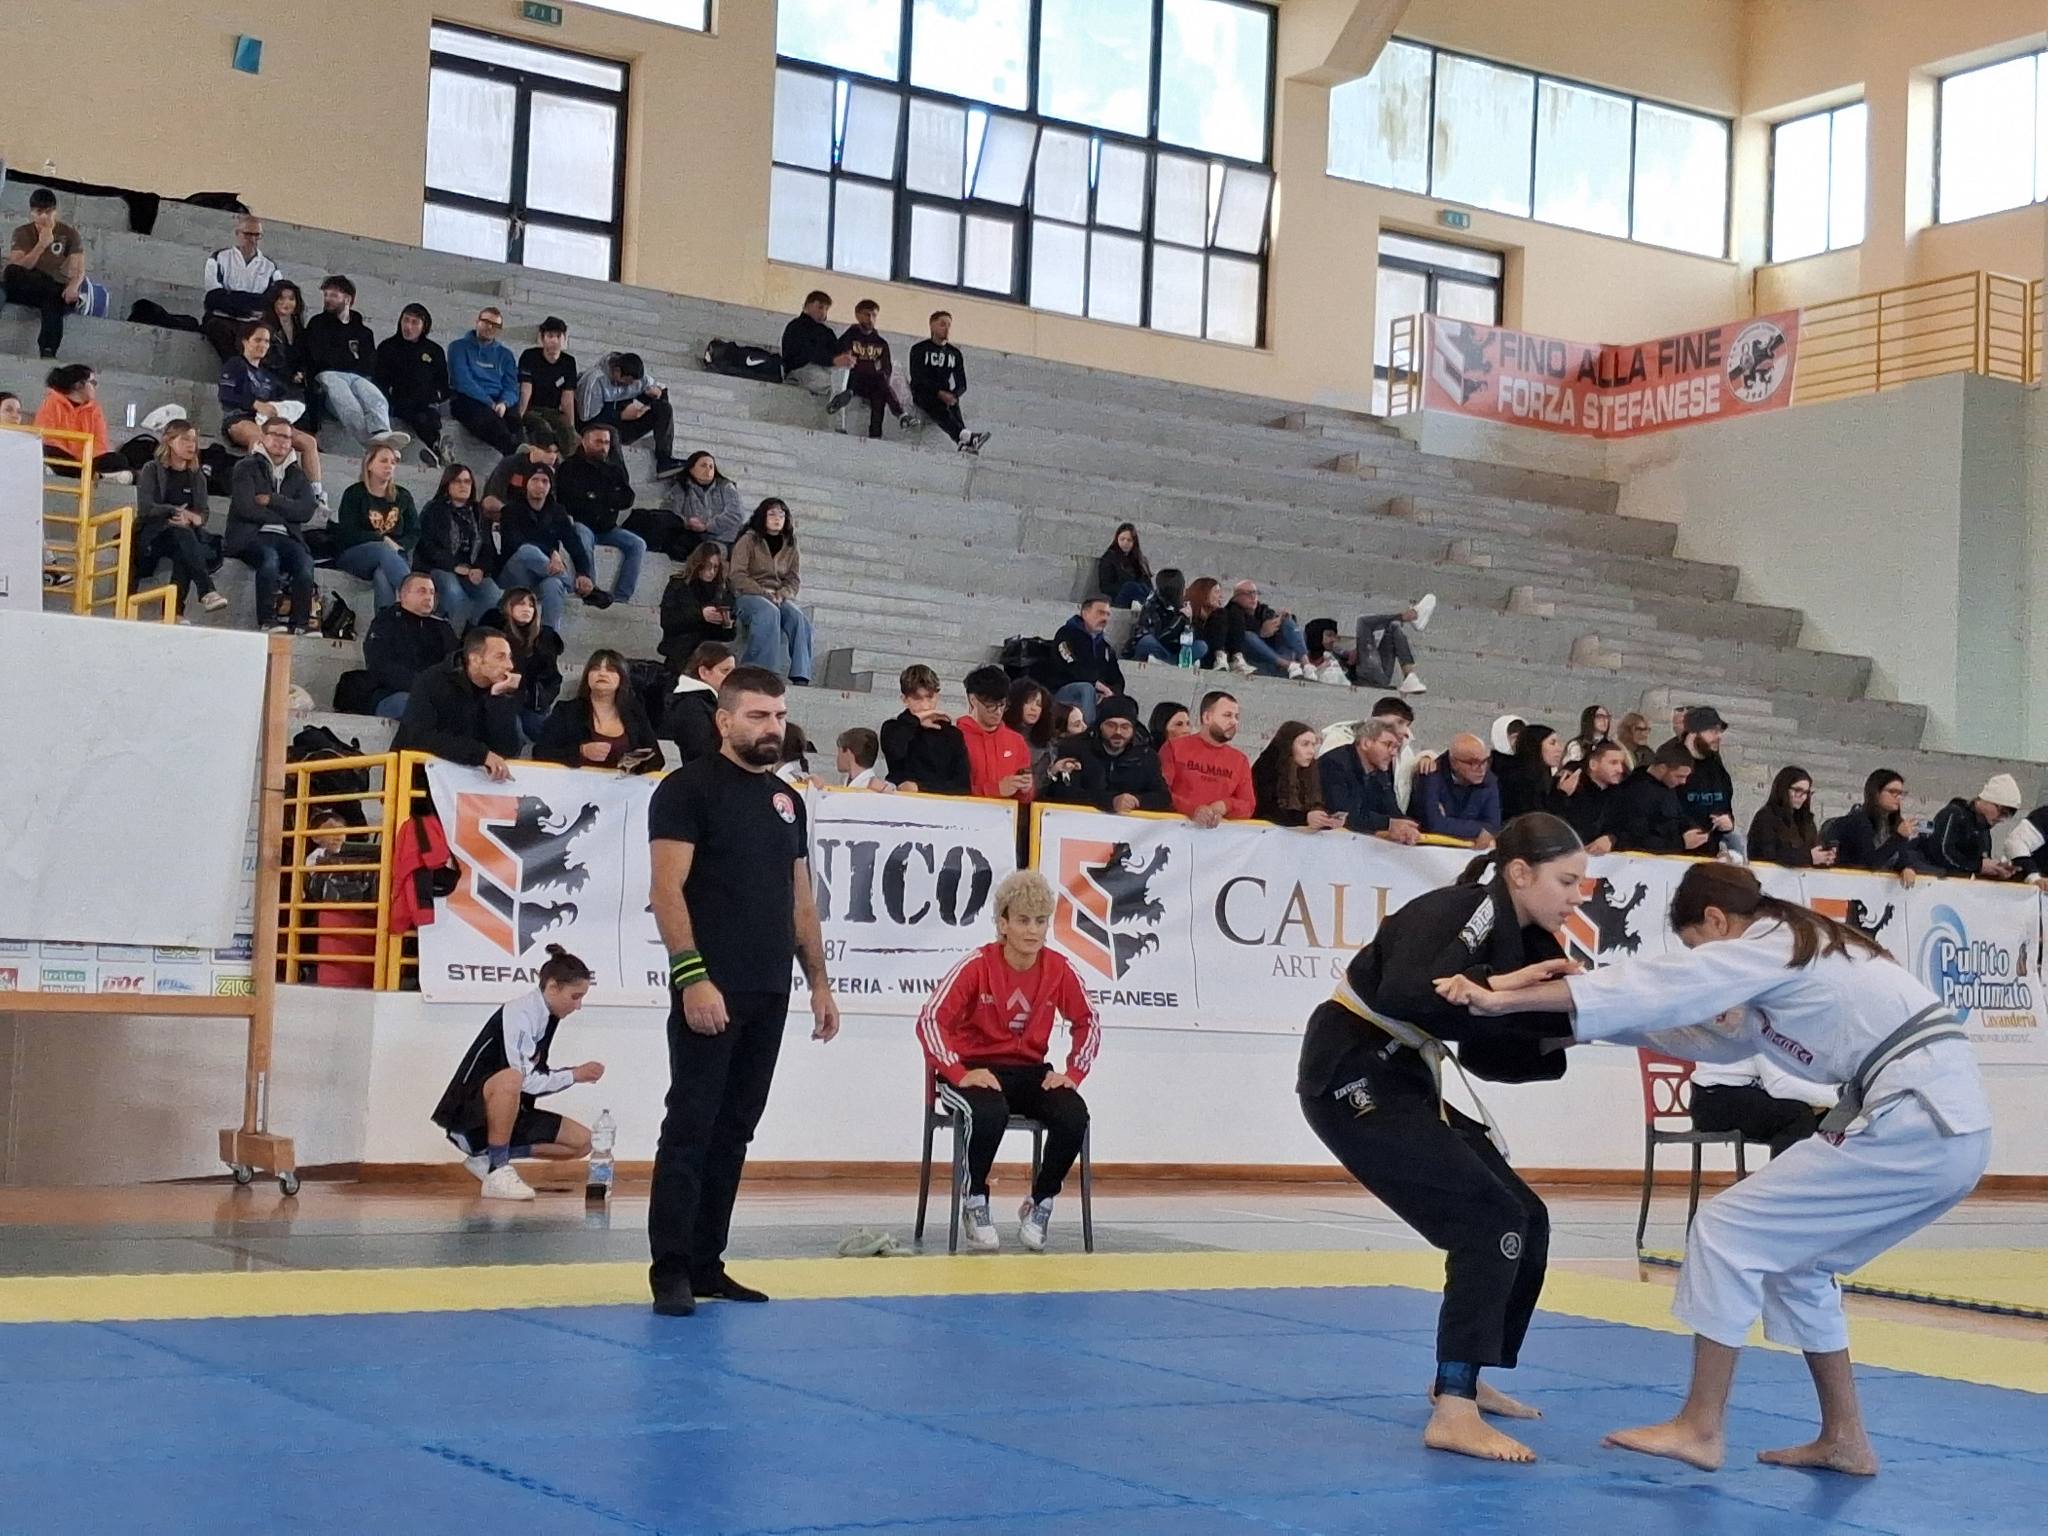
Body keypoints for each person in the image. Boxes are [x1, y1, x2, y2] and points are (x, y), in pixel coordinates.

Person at [1451, 861, 1990, 1477]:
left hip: (1915, 1122)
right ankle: (1845, 1438)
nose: (1700, 961)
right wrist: (1577, 1026)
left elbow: (1658, 984)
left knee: (1725, 1229)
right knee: (1800, 1264)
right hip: (1944, 1128)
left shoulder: (1770, 943)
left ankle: (1700, 1426)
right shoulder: (1796, 954)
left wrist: (1502, 997)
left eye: (1697, 945)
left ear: (1715, 919)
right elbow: (1706, 1035)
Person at [1301, 813, 1586, 1464]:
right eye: (1567, 881)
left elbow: (1491, 1056)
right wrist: (1500, 989)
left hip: (1404, 1074)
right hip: (1352, 1069)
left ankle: (1464, 1376)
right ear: (1520, 873)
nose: (1576, 897)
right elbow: (1408, 992)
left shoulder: (1527, 939)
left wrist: (1569, 1031)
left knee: (1526, 1218)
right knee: (1489, 1221)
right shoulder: (1466, 908)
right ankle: (1454, 1411)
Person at [647, 667, 841, 1314]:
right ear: (724, 720)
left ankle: (708, 1263)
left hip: (769, 988)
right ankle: (671, 1269)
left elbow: (801, 899)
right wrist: (692, 976)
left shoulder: (788, 801)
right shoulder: (686, 790)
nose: (772, 727)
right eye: (758, 716)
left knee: (735, 1130)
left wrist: (819, 983)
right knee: (691, 1126)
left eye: (779, 716)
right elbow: (666, 890)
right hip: (712, 985)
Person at [919, 870, 1098, 1250]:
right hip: (974, 1070)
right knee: (989, 1112)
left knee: (1073, 1115)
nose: (1033, 930)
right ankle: (975, 1200)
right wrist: (958, 1073)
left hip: (1029, 1072)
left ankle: (1040, 1202)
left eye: (1040, 921)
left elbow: (1088, 1021)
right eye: (1023, 920)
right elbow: (931, 1020)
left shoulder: (1059, 969)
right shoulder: (977, 965)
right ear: (1003, 924)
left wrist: (1073, 1074)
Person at [431, 945, 605, 1201]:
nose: (578, 1006)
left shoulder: (548, 1017)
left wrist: (572, 1075)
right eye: (575, 996)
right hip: (471, 1118)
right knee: (512, 1078)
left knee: (584, 1142)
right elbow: (526, 1081)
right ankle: (498, 1168)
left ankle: (486, 1158)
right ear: (553, 987)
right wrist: (574, 1075)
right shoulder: (520, 1013)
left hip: (513, 1112)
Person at [226, 415, 320, 633]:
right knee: (269, 560)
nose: (281, 441)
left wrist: (272, 500)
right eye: (275, 435)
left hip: (287, 537)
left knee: (305, 564)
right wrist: (286, 514)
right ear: (263, 437)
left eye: (286, 437)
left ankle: (301, 623)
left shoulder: (297, 474)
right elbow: (245, 507)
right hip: (251, 536)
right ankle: (267, 620)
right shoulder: (246, 467)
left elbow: (306, 510)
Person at [392, 627, 521, 779]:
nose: (510, 665)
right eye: (500, 657)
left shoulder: (501, 691)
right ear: (475, 659)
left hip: (470, 782)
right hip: (418, 780)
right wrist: (480, 754)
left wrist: (498, 699)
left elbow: (508, 749)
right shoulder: (433, 680)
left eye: (509, 657)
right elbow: (420, 736)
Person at [218, 322, 326, 497]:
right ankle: (257, 486)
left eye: (266, 341)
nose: (263, 345)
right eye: (258, 340)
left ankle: (316, 494)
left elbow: (286, 397)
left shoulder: (268, 375)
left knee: (308, 442)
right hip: (239, 419)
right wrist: (256, 404)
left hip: (270, 421)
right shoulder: (235, 364)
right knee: (260, 437)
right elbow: (227, 394)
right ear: (245, 341)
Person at [132, 420, 228, 615]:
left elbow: (202, 513)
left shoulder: (196, 475)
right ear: (169, 441)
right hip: (154, 534)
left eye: (193, 440)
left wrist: (192, 518)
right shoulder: (152, 469)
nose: (191, 445)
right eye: (185, 440)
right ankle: (205, 592)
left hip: (184, 534)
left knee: (184, 546)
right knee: (185, 538)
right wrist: (175, 511)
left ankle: (175, 611)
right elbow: (146, 508)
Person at [306, 275, 406, 451]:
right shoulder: (317, 324)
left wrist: (346, 363)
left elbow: (369, 363)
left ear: (347, 299)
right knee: (348, 404)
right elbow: (318, 357)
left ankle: (384, 433)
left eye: (334, 295)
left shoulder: (363, 332)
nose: (328, 299)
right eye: (326, 295)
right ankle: (372, 445)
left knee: (376, 398)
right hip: (328, 375)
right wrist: (349, 361)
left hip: (356, 377)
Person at [498, 465, 597, 630]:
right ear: (526, 483)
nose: (540, 485)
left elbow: (574, 543)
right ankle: (572, 585)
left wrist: (583, 573)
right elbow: (514, 543)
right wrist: (551, 553)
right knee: (528, 551)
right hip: (514, 574)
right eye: (535, 480)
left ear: (551, 486)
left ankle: (549, 637)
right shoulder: (511, 510)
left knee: (554, 585)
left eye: (545, 481)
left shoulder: (557, 511)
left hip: (544, 574)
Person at [555, 422, 646, 603]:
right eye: (598, 442)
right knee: (582, 535)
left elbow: (627, 498)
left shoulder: (614, 469)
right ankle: (590, 589)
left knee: (638, 544)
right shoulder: (569, 467)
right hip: (582, 523)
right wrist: (607, 498)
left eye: (606, 442)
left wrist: (596, 496)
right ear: (584, 441)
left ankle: (621, 597)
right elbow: (570, 499)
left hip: (608, 528)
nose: (603, 447)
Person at [535, 650, 665, 774]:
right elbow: (540, 752)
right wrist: (581, 751)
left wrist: (633, 763)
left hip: (622, 785)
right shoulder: (567, 711)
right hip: (576, 784)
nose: (602, 674)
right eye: (595, 669)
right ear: (587, 676)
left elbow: (656, 759)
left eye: (611, 670)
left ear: (621, 678)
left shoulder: (634, 713)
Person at [1040, 695, 1170, 815]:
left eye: (1125, 727)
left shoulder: (1146, 756)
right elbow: (1063, 792)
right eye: (1111, 726)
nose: (1118, 732)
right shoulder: (1074, 748)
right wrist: (1110, 801)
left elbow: (1163, 797)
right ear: (1100, 726)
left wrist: (1137, 800)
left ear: (1133, 729)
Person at [729, 499, 812, 685]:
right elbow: (737, 575)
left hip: (778, 595)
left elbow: (793, 579)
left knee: (798, 617)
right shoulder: (748, 540)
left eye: (781, 515)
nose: (777, 519)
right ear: (763, 517)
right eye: (772, 514)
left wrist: (783, 593)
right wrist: (762, 592)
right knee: (769, 611)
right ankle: (763, 670)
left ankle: (801, 673)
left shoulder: (790, 544)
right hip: (749, 594)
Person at [1689, 1055, 1834, 1159]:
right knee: (1797, 1115)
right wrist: (1835, 1099)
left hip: (1723, 1096)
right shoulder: (1759, 1023)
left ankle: (1819, 1184)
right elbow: (1778, 1084)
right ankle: (1781, 1185)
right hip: (1717, 1101)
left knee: (1825, 1116)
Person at [414, 463, 503, 630]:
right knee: (455, 594)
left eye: (467, 481)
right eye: (457, 481)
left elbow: (488, 549)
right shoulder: (434, 509)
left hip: (471, 570)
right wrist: (454, 566)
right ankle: (451, 639)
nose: (463, 486)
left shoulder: (478, 512)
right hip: (440, 567)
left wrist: (480, 568)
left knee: (493, 594)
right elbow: (426, 546)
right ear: (447, 485)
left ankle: (472, 634)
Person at [333, 443, 420, 610]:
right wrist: (383, 540)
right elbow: (348, 533)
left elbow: (414, 531)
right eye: (383, 461)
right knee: (382, 550)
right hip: (355, 554)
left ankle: (384, 623)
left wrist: (400, 546)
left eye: (393, 462)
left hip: (394, 555)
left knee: (382, 575)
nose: (389, 466)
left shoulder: (403, 496)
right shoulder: (354, 493)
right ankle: (415, 597)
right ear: (369, 465)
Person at [475, 587, 565, 744]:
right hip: (494, 699)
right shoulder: (492, 632)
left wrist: (538, 698)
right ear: (508, 606)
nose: (527, 609)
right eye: (521, 603)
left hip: (528, 703)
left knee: (549, 734)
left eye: (531, 605)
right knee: (512, 729)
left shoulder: (544, 639)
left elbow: (552, 679)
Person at [33, 364, 152, 483]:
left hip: (88, 460)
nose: (96, 387)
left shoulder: (95, 409)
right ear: (78, 385)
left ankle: (85, 474)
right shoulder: (52, 402)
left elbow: (100, 443)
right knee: (48, 451)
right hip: (62, 456)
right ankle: (100, 476)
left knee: (119, 459)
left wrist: (85, 460)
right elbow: (47, 437)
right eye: (93, 382)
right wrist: (74, 458)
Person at [361, 572, 456, 720]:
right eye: (422, 591)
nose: (428, 597)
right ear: (403, 595)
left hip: (434, 694)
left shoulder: (443, 627)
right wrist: (423, 686)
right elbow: (379, 664)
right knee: (416, 706)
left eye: (431, 592)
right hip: (391, 694)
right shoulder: (386, 621)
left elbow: (454, 664)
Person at [4, 188, 84, 359]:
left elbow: (78, 268)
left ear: (55, 211)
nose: (44, 217)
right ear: (32, 213)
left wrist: (74, 286)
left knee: (54, 298)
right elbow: (17, 268)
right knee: (12, 272)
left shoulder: (68, 234)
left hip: (54, 290)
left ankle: (48, 351)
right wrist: (41, 245)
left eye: (48, 212)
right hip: (30, 285)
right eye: (39, 212)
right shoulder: (23, 232)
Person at [577, 350, 682, 478]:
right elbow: (586, 418)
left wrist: (657, 396)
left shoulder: (639, 380)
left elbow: (660, 388)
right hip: (600, 425)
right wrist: (619, 415)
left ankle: (664, 460)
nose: (630, 385)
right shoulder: (595, 380)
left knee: (664, 408)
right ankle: (620, 479)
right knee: (611, 434)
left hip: (627, 424)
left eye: (633, 382)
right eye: (628, 381)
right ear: (617, 371)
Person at [1159, 691, 1255, 827]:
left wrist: (1225, 806)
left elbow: (1248, 806)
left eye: (1236, 716)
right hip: (1174, 831)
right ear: (1207, 717)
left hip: (1218, 836)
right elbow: (1161, 792)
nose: (1234, 721)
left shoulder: (1240, 760)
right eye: (1227, 715)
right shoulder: (1174, 748)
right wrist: (1193, 809)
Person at [829, 299, 920, 439]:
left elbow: (887, 369)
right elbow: (836, 355)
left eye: (874, 315)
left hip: (873, 384)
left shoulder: (881, 343)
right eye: (866, 314)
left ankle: (877, 434)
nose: (870, 319)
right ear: (857, 315)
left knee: (880, 386)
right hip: (853, 380)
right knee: (869, 377)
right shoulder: (850, 337)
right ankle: (901, 415)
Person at [1318, 718, 1420, 843]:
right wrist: (1388, 824)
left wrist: (1407, 826)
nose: (1393, 753)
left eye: (1396, 748)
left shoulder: (1380, 769)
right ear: (1366, 743)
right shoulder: (1334, 764)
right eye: (1387, 744)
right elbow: (1341, 813)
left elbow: (1391, 809)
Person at [374, 303, 451, 466]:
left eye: (414, 322)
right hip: (399, 401)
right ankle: (436, 448)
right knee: (420, 417)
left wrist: (436, 396)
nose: (408, 327)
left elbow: (443, 384)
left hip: (427, 402)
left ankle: (437, 450)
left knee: (430, 416)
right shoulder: (387, 347)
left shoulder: (434, 351)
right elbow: (379, 382)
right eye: (406, 320)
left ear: (424, 326)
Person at [201, 214, 284, 359]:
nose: (253, 239)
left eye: (257, 235)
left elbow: (273, 300)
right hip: (222, 320)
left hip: (254, 324)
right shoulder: (219, 258)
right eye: (248, 234)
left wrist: (232, 298)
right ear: (237, 234)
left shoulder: (270, 267)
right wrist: (250, 304)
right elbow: (214, 297)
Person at [880, 665, 972, 795]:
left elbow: (962, 785)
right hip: (902, 803)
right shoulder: (892, 728)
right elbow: (895, 752)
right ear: (904, 699)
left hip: (940, 803)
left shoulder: (952, 735)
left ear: (937, 696)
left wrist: (920, 788)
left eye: (930, 697)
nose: (925, 705)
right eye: (917, 698)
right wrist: (915, 720)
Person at [907, 310, 989, 454]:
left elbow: (962, 384)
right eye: (942, 324)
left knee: (952, 404)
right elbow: (918, 378)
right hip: (923, 393)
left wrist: (954, 396)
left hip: (945, 394)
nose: (947, 329)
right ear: (932, 326)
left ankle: (963, 441)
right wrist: (938, 392)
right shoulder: (919, 349)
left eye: (949, 325)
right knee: (936, 402)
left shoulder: (954, 353)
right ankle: (967, 437)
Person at [1913, 774, 2024, 880]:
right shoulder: (1953, 814)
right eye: (2002, 812)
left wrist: (1996, 870)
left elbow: (1977, 866)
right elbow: (1941, 854)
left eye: (2006, 816)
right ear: (1988, 800)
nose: (2001, 819)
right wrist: (1979, 866)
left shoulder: (1983, 830)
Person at [1609, 742, 1712, 855]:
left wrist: (1693, 829)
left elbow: (1678, 816)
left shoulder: (1667, 785)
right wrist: (1681, 843)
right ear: (1662, 768)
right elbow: (1636, 840)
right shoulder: (1636, 791)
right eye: (1679, 776)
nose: (1683, 782)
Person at [1663, 706, 1741, 857]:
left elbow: (1724, 802)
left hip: (1709, 853)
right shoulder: (1671, 761)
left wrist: (1728, 822)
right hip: (1675, 855)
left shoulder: (1716, 765)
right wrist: (1679, 839)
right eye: (1712, 731)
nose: (1719, 737)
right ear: (1693, 732)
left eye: (1719, 732)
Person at [447, 307, 523, 455]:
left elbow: (511, 387)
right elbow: (463, 381)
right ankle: (516, 455)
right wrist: (490, 403)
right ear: (477, 322)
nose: (489, 327)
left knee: (515, 422)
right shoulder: (458, 347)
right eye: (486, 322)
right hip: (468, 398)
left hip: (498, 401)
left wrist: (503, 403)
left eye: (495, 325)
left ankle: (523, 454)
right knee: (493, 424)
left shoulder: (506, 355)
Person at [1824, 770, 1923, 878]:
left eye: (1901, 793)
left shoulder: (1895, 823)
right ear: (1876, 792)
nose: (1898, 797)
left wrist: (1906, 867)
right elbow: (1869, 864)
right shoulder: (1859, 821)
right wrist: (1898, 837)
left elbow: (1899, 856)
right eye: (1892, 792)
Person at [650, 449, 746, 560]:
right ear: (691, 469)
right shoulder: (681, 488)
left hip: (725, 540)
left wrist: (708, 526)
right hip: (694, 537)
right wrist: (687, 522)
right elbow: (668, 512)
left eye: (711, 467)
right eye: (703, 466)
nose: (708, 470)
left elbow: (735, 514)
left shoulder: (726, 487)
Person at [1251, 721, 1348, 830]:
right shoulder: (1266, 769)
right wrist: (1305, 818)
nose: (1311, 751)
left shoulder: (1312, 772)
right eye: (1305, 744)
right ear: (1288, 745)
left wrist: (1327, 820)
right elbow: (1266, 810)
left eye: (1313, 745)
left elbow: (1316, 805)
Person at [958, 665, 1034, 802]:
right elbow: (950, 789)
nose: (998, 712)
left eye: (1002, 705)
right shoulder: (956, 737)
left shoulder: (1016, 741)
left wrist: (1025, 789)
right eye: (991, 705)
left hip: (1008, 813)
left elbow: (1026, 798)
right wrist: (995, 790)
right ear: (973, 700)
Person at [1046, 595, 1125, 726]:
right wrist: (1095, 684)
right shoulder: (1066, 634)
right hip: (1063, 690)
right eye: (1100, 613)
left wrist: (1111, 693)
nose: (1105, 618)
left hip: (1097, 693)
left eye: (1107, 614)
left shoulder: (1105, 646)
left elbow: (1117, 678)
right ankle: (1088, 731)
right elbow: (1069, 663)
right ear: (1085, 613)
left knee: (1125, 702)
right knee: (1086, 689)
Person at [659, 543, 738, 668]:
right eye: (707, 566)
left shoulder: (723, 591)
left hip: (708, 650)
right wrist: (700, 615)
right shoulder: (678, 585)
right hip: (681, 647)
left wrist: (727, 622)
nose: (711, 572)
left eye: (715, 567)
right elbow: (668, 621)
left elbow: (727, 636)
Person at [1415, 733, 1502, 844]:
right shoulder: (1431, 775)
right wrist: (1478, 829)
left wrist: (1448, 822)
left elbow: (1493, 827)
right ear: (1454, 762)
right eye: (1472, 763)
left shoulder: (1489, 780)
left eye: (1485, 761)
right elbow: (1434, 824)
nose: (1481, 769)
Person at [781, 290, 854, 422]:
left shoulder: (826, 331)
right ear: (807, 306)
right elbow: (808, 353)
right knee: (824, 379)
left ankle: (838, 399)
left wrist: (845, 354)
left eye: (826, 309)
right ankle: (836, 404)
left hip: (824, 367)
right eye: (820, 307)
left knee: (844, 375)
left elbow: (835, 351)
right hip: (800, 369)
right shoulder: (796, 327)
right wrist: (833, 360)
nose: (823, 312)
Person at [663, 642, 737, 765]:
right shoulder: (691, 706)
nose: (731, 677)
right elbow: (701, 751)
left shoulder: (706, 700)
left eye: (733, 672)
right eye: (725, 671)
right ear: (704, 672)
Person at [1748, 766, 1837, 868]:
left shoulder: (1806, 821)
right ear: (1783, 789)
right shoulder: (1766, 817)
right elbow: (1769, 854)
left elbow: (1812, 848)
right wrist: (1808, 857)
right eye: (1797, 790)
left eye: (1806, 793)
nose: (1803, 797)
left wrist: (1825, 857)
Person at [1344, 597, 1435, 694]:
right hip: (1364, 676)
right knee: (1363, 622)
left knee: (1393, 627)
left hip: (1379, 677)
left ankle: (1410, 677)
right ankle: (1407, 616)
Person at [516, 317, 579, 454]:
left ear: (564, 338)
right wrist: (519, 417)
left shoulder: (569, 362)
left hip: (553, 410)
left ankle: (569, 460)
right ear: (542, 338)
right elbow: (526, 389)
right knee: (542, 427)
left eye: (558, 336)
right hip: (532, 409)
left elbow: (567, 398)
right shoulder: (529, 356)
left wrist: (572, 426)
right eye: (550, 336)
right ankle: (549, 455)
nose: (554, 341)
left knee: (568, 432)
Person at [1553, 740, 1628, 854]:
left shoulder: (1619, 793)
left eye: (1621, 764)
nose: (1620, 770)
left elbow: (1626, 826)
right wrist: (1562, 795)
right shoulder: (1571, 786)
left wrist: (1611, 839)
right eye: (1613, 763)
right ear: (1593, 765)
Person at [1125, 570, 1204, 671]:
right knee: (1147, 642)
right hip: (1158, 648)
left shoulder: (1182, 606)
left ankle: (1169, 663)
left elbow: (1189, 639)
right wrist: (1180, 618)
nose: (1185, 589)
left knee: (1201, 646)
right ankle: (1172, 664)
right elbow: (1159, 637)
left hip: (1174, 652)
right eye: (1183, 586)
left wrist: (1190, 620)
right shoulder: (1152, 605)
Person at [1230, 580, 1310, 679]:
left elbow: (1277, 622)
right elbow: (1237, 640)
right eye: (1248, 593)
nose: (1253, 597)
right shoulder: (1231, 613)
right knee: (1248, 636)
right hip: (1255, 657)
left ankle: (1307, 665)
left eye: (1255, 593)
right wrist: (1260, 633)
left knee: (1289, 623)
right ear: (1236, 597)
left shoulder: (1262, 609)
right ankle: (1288, 665)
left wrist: (1282, 618)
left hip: (1276, 652)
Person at [257, 279, 317, 411]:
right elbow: (265, 360)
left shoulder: (299, 327)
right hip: (272, 378)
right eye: (281, 298)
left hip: (296, 379)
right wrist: (289, 375)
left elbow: (304, 355)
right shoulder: (264, 327)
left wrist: (301, 372)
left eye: (291, 299)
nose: (286, 303)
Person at [1498, 725, 1563, 823]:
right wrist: (1562, 794)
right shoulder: (1519, 779)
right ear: (1535, 746)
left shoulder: (1543, 776)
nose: (1559, 749)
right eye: (1552, 743)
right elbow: (1536, 817)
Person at [1006, 679, 1060, 789]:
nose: (1034, 708)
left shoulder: (1046, 743)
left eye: (1038, 704)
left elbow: (1038, 785)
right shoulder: (1000, 734)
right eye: (1028, 702)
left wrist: (1052, 772)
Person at [1186, 576, 1246, 674]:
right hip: (1201, 655)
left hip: (1222, 657)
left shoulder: (1220, 616)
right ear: (1204, 593)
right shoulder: (1189, 612)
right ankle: (1219, 657)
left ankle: (1236, 658)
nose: (1221, 596)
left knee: (1234, 612)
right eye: (1217, 592)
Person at [1097, 523, 1152, 609]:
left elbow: (1148, 585)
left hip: (1139, 594)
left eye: (1129, 540)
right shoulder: (1109, 558)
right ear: (1117, 539)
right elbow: (1105, 586)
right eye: (1122, 539)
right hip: (1119, 598)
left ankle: (1145, 604)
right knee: (1130, 586)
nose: (1125, 542)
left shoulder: (1140, 560)